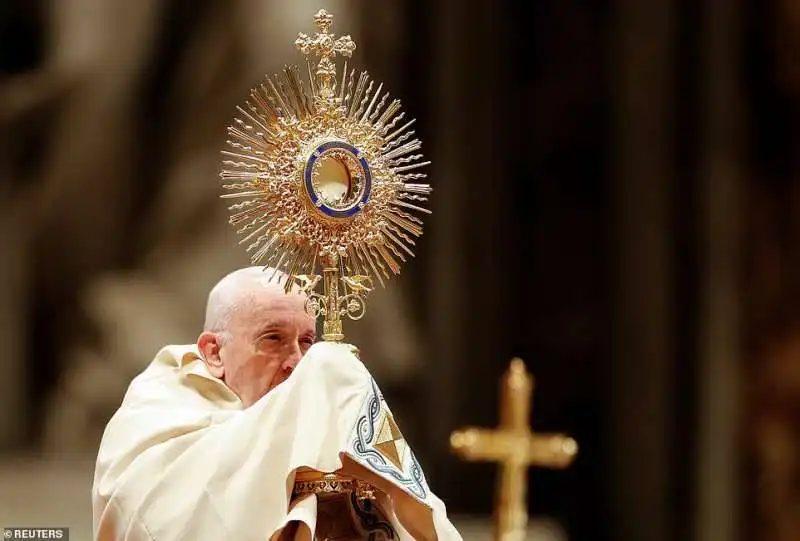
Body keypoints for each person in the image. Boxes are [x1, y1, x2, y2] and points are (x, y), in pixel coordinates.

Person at [91, 266, 462, 541]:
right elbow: (153, 522)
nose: (297, 362)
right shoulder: (160, 408)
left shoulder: (327, 414)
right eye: (273, 339)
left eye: (306, 342)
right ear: (213, 352)